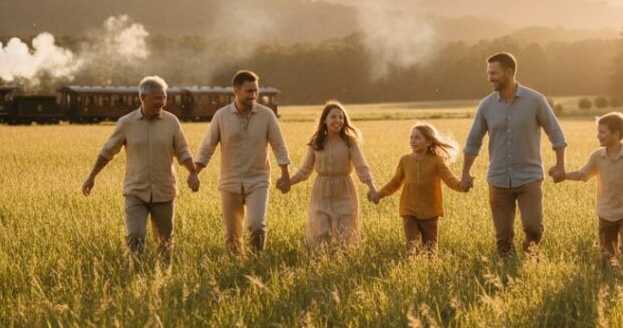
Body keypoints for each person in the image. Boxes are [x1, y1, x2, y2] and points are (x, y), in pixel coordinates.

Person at [462, 52, 567, 256]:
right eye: (488, 73)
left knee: (533, 228)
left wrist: (560, 164)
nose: (489, 77)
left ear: (509, 72)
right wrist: (466, 172)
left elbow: (556, 133)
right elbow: (473, 141)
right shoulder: (486, 105)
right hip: (498, 179)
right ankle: (505, 275)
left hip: (529, 178)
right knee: (503, 237)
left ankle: (530, 257)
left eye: (494, 73)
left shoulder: (535, 100)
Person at [82, 76, 199, 257]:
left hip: (164, 191)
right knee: (135, 235)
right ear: (142, 98)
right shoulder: (126, 123)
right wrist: (91, 176)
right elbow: (107, 152)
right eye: (157, 98)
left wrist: (192, 173)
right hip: (135, 191)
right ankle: (135, 273)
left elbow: (182, 151)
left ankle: (163, 277)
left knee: (165, 242)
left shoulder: (172, 122)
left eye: (164, 97)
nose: (162, 102)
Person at [195, 70, 290, 254]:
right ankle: (235, 268)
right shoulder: (221, 116)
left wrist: (285, 176)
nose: (253, 96)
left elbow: (279, 146)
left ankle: (256, 261)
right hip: (229, 181)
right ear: (236, 91)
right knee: (232, 234)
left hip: (258, 180)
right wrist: (195, 173)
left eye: (256, 91)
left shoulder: (266, 115)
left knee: (256, 225)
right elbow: (208, 147)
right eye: (249, 91)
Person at [557, 112, 623, 263]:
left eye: (602, 132)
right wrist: (563, 175)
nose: (598, 135)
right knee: (607, 255)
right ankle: (610, 277)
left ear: (616, 134)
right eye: (598, 132)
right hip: (605, 212)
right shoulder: (597, 157)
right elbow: (582, 174)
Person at [284, 101, 377, 248]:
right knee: (321, 231)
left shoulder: (350, 143)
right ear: (325, 120)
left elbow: (362, 167)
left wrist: (372, 188)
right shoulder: (316, 143)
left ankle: (343, 264)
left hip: (344, 189)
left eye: (341, 118)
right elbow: (305, 170)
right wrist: (288, 182)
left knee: (345, 232)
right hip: (321, 190)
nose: (338, 121)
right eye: (333, 117)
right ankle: (320, 263)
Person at [371, 123, 469, 254]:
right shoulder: (405, 160)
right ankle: (412, 268)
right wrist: (379, 194)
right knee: (412, 247)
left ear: (428, 142)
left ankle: (429, 271)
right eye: (411, 137)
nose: (413, 141)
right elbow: (394, 183)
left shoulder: (437, 161)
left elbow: (450, 180)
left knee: (430, 249)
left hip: (431, 211)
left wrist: (462, 186)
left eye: (417, 138)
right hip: (409, 209)